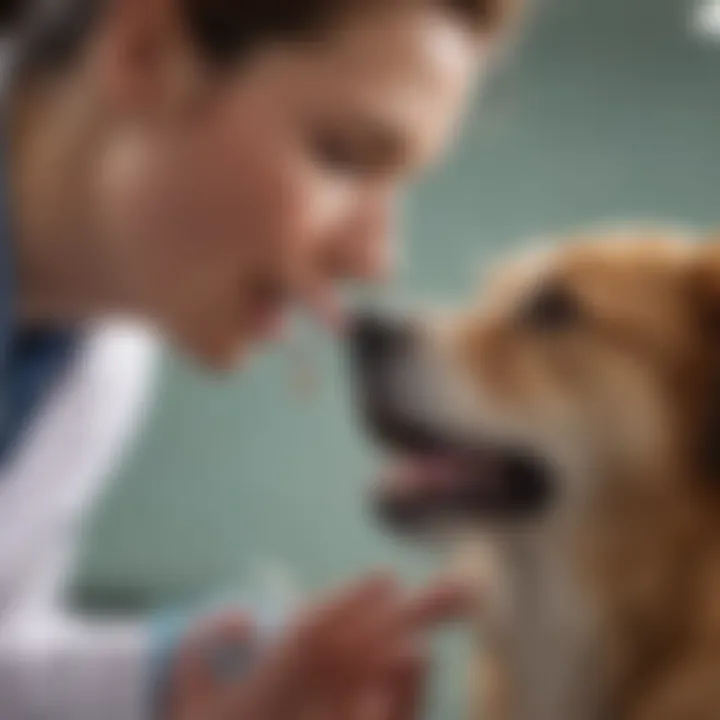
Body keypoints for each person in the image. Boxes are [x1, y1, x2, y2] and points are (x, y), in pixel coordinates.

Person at [0, 1, 513, 718]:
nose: (374, 257)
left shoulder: (98, 355)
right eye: (340, 155)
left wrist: (174, 678)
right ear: (144, 49)